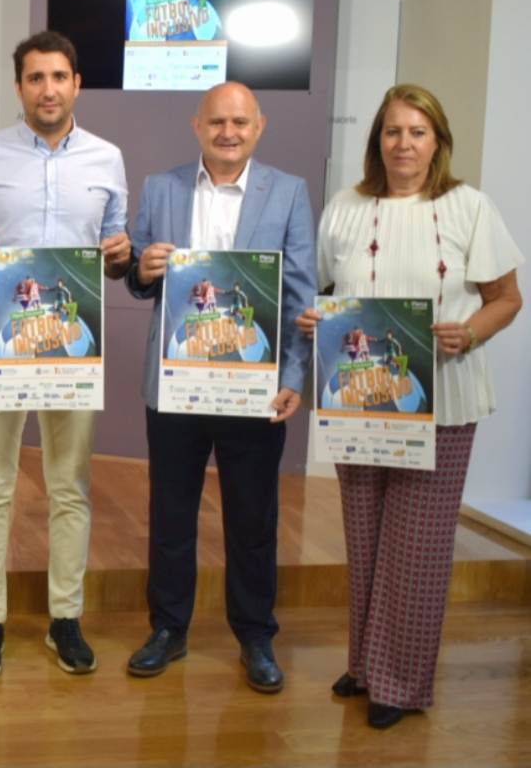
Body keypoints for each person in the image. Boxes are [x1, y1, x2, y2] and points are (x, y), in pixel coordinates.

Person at [295, 84, 522, 729]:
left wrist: (471, 330)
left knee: (416, 544)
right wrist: (315, 315)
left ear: (438, 142)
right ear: (377, 142)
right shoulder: (345, 205)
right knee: (364, 535)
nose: (404, 144)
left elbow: (507, 297)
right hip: (359, 397)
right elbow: (324, 291)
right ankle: (366, 664)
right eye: (393, 132)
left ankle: (400, 680)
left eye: (418, 132)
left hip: (441, 397)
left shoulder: (467, 206)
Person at [0, 30, 131, 680]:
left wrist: (120, 253)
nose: (47, 88)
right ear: (18, 87)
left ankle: (64, 618)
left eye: (58, 76)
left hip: (70, 344)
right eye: (34, 78)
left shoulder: (107, 158)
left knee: (69, 486)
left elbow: (113, 244)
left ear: (75, 83)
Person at [123, 81, 315, 693]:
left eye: (239, 122)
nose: (227, 132)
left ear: (259, 127)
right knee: (170, 513)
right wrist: (142, 269)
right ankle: (168, 629)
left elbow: (300, 293)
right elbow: (138, 277)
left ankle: (256, 635)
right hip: (178, 385)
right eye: (216, 122)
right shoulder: (162, 187)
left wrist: (292, 376)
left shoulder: (287, 193)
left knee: (253, 519)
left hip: (253, 386)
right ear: (196, 125)